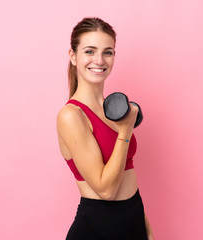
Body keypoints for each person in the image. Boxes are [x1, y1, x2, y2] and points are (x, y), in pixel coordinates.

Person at [57, 17, 154, 240]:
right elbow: (106, 190)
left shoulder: (113, 110)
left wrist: (145, 226)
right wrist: (125, 131)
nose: (99, 60)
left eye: (108, 52)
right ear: (73, 57)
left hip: (133, 221)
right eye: (89, 51)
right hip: (98, 230)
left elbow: (127, 173)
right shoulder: (71, 115)